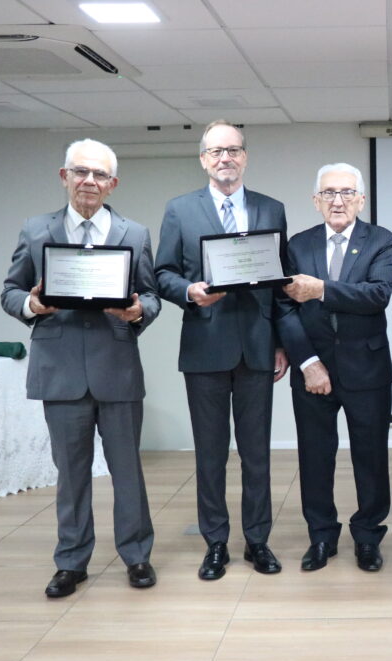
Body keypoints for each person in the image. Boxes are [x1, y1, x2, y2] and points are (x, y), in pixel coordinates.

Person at [1, 138, 158, 597]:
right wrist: (32, 303)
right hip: (60, 369)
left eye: (99, 175)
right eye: (80, 172)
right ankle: (71, 561)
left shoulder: (135, 234)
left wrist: (137, 312)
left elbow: (149, 296)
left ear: (113, 184)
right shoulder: (35, 231)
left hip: (117, 368)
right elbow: (10, 292)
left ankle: (137, 555)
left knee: (128, 469)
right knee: (71, 473)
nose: (89, 181)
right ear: (64, 176)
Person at [155, 120, 289, 580]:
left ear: (245, 157)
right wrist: (190, 292)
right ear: (203, 159)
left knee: (257, 453)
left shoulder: (273, 209)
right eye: (216, 151)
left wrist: (280, 345)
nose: (225, 158)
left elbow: (281, 283)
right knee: (209, 453)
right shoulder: (179, 210)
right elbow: (163, 273)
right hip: (205, 347)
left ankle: (258, 540)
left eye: (233, 150)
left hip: (257, 348)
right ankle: (215, 543)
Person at [276, 163, 392, 572]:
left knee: (371, 456)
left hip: (368, 369)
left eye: (347, 192)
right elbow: (284, 308)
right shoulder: (297, 245)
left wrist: (321, 289)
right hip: (312, 369)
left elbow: (377, 294)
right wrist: (308, 363)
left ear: (361, 199)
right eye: (329, 193)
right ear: (316, 201)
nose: (338, 200)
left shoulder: (381, 240)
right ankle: (322, 536)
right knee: (314, 457)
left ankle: (367, 537)